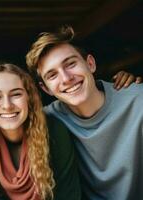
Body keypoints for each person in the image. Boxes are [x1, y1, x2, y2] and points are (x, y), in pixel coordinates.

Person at [26, 26, 143, 199]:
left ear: (90, 64)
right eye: (52, 75)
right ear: (46, 89)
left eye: (71, 64)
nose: (66, 78)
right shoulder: (47, 119)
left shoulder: (138, 100)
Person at [0, 63, 81, 200]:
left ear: (29, 98)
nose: (7, 105)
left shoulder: (54, 131)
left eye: (16, 94)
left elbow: (69, 195)